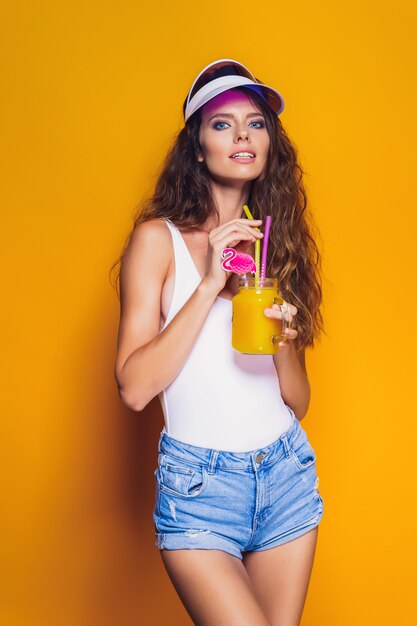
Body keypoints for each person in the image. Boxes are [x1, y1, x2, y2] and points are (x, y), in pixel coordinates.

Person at [112, 59, 325, 626]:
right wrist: (209, 283)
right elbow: (134, 389)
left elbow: (297, 401)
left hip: (284, 474)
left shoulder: (275, 251)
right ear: (197, 147)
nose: (242, 136)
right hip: (200, 487)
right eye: (222, 124)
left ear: (269, 146)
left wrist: (283, 339)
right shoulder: (158, 241)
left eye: (255, 124)